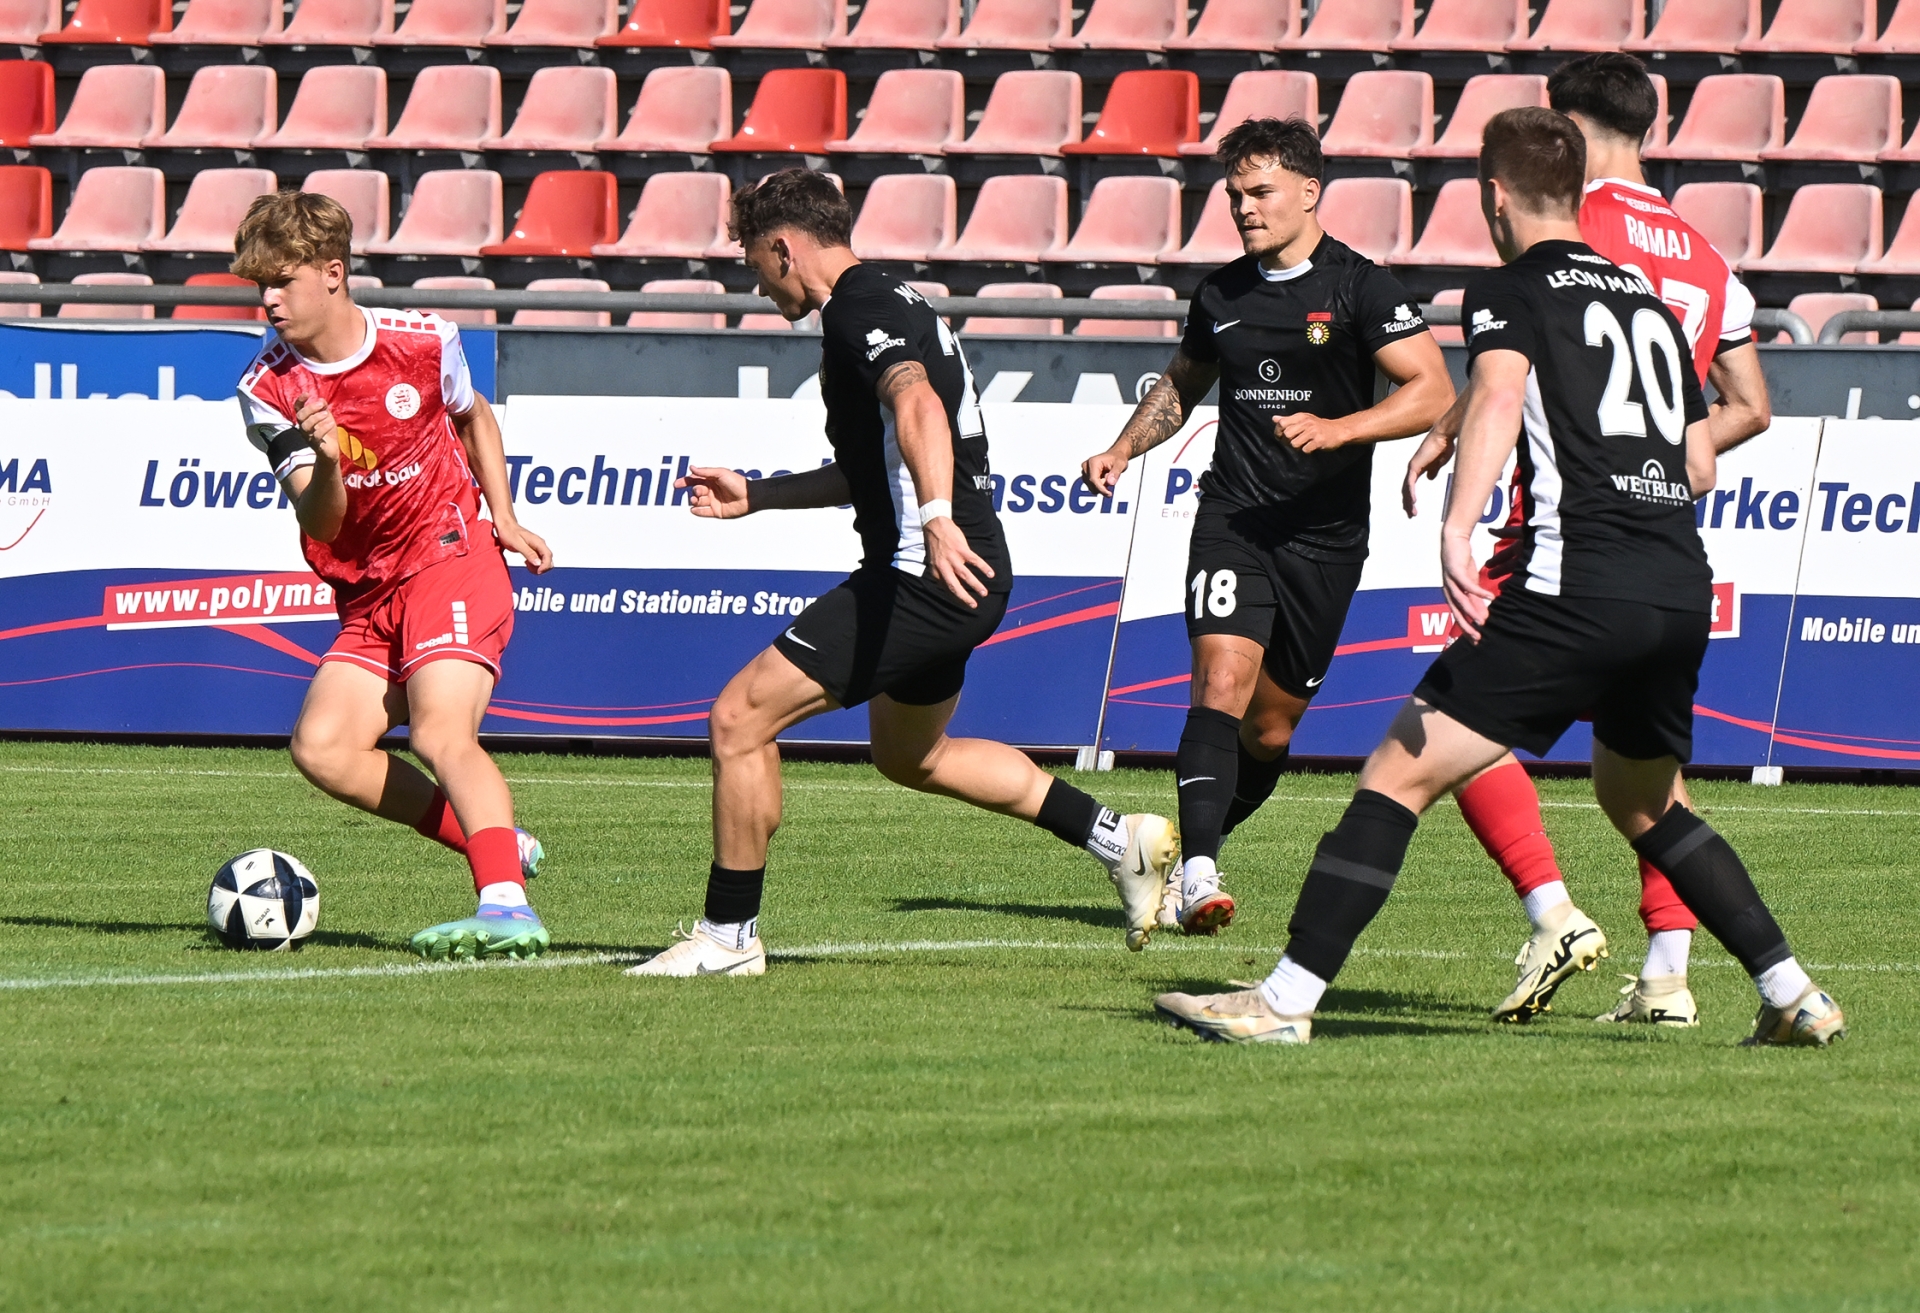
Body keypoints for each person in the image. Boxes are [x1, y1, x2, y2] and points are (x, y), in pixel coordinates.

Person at [1155, 108, 1844, 1049]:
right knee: (1643, 800)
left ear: (1494, 195)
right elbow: (1697, 464)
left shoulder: (1508, 289)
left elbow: (1500, 397)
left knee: (1398, 770)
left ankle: (1282, 1000)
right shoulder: (1644, 300)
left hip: (1575, 583)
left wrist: (1457, 526)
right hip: (1677, 582)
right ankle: (1794, 993)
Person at [625, 170, 1177, 978]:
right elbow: (874, 466)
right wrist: (762, 494)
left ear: (784, 248)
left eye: (754, 263)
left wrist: (936, 518)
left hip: (927, 571)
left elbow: (917, 405)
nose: (756, 283)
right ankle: (1118, 839)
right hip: (964, 570)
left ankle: (728, 934)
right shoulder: (895, 299)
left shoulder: (857, 309)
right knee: (911, 755)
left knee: (738, 719)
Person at [1402, 52, 1774, 1027]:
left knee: (1451, 714)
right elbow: (1751, 405)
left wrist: (1452, 432)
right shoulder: (1705, 256)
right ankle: (1668, 971)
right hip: (1661, 533)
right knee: (1650, 768)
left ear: (1564, 128)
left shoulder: (1575, 225)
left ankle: (1551, 909)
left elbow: (1523, 360)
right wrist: (1673, 449)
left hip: (1561, 519)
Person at [1081, 117, 1453, 939]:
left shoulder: (1361, 287)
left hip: (1327, 539)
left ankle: (1178, 856)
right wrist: (1123, 447)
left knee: (1272, 725)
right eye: (1234, 195)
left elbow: (1433, 390)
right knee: (1220, 680)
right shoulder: (1221, 293)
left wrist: (1341, 428)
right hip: (1236, 517)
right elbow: (1183, 382)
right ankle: (1200, 874)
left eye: (1260, 192)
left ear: (1310, 192)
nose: (1244, 208)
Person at [231, 190, 555, 961]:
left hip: (450, 556)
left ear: (333, 273)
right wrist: (329, 460)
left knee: (441, 731)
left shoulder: (424, 342)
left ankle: (506, 903)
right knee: (322, 748)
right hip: (367, 591)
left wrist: (505, 515)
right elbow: (322, 522)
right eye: (260, 285)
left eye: (282, 281)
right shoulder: (265, 391)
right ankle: (495, 840)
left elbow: (474, 415)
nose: (268, 301)